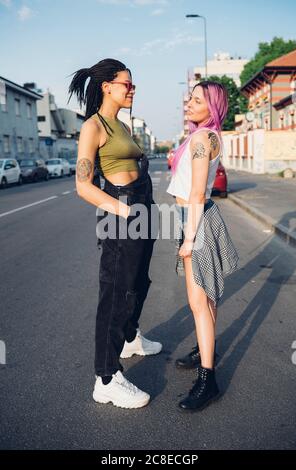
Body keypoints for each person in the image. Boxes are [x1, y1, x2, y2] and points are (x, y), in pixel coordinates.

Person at [67, 58, 161, 409]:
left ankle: (132, 336)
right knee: (116, 293)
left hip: (143, 204)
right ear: (107, 85)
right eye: (127, 83)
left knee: (141, 282)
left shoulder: (121, 123)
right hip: (123, 211)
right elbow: (82, 185)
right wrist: (125, 211)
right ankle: (105, 377)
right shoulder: (94, 126)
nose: (132, 89)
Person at [166, 81, 239, 412]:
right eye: (189, 98)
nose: (188, 103)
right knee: (206, 298)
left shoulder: (200, 138)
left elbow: (196, 193)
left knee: (198, 302)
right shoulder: (210, 136)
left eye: (197, 100)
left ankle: (207, 380)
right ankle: (205, 347)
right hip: (199, 216)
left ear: (213, 107)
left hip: (194, 219)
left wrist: (189, 239)